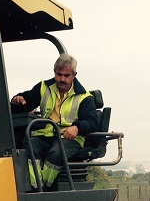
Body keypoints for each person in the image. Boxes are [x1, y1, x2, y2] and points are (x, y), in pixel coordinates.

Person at [11, 53, 98, 189]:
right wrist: (19, 99)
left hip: (68, 138)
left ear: (74, 75)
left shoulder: (84, 97)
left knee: (57, 153)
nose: (62, 79)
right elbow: (27, 100)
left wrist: (77, 128)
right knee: (29, 148)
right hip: (43, 135)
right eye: (59, 74)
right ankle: (35, 186)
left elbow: (92, 122)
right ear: (54, 72)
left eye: (66, 75)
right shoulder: (44, 87)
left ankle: (45, 187)